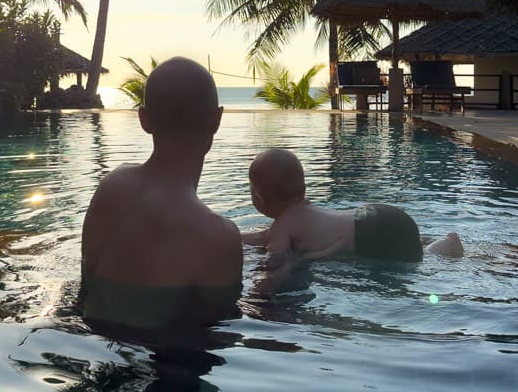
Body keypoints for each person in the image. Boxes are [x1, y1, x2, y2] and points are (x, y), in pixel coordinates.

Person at [80, 57, 243, 332]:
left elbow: (86, 285)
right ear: (216, 120)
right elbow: (215, 331)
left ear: (144, 119)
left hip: (91, 337)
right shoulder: (219, 236)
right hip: (161, 360)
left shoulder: (112, 185)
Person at [243, 148, 463, 270]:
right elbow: (265, 236)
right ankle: (442, 242)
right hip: (375, 215)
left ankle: (446, 245)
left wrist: (261, 294)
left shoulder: (282, 227)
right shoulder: (303, 212)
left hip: (371, 234)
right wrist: (237, 237)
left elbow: (277, 262)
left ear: (258, 198)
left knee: (417, 260)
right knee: (412, 246)